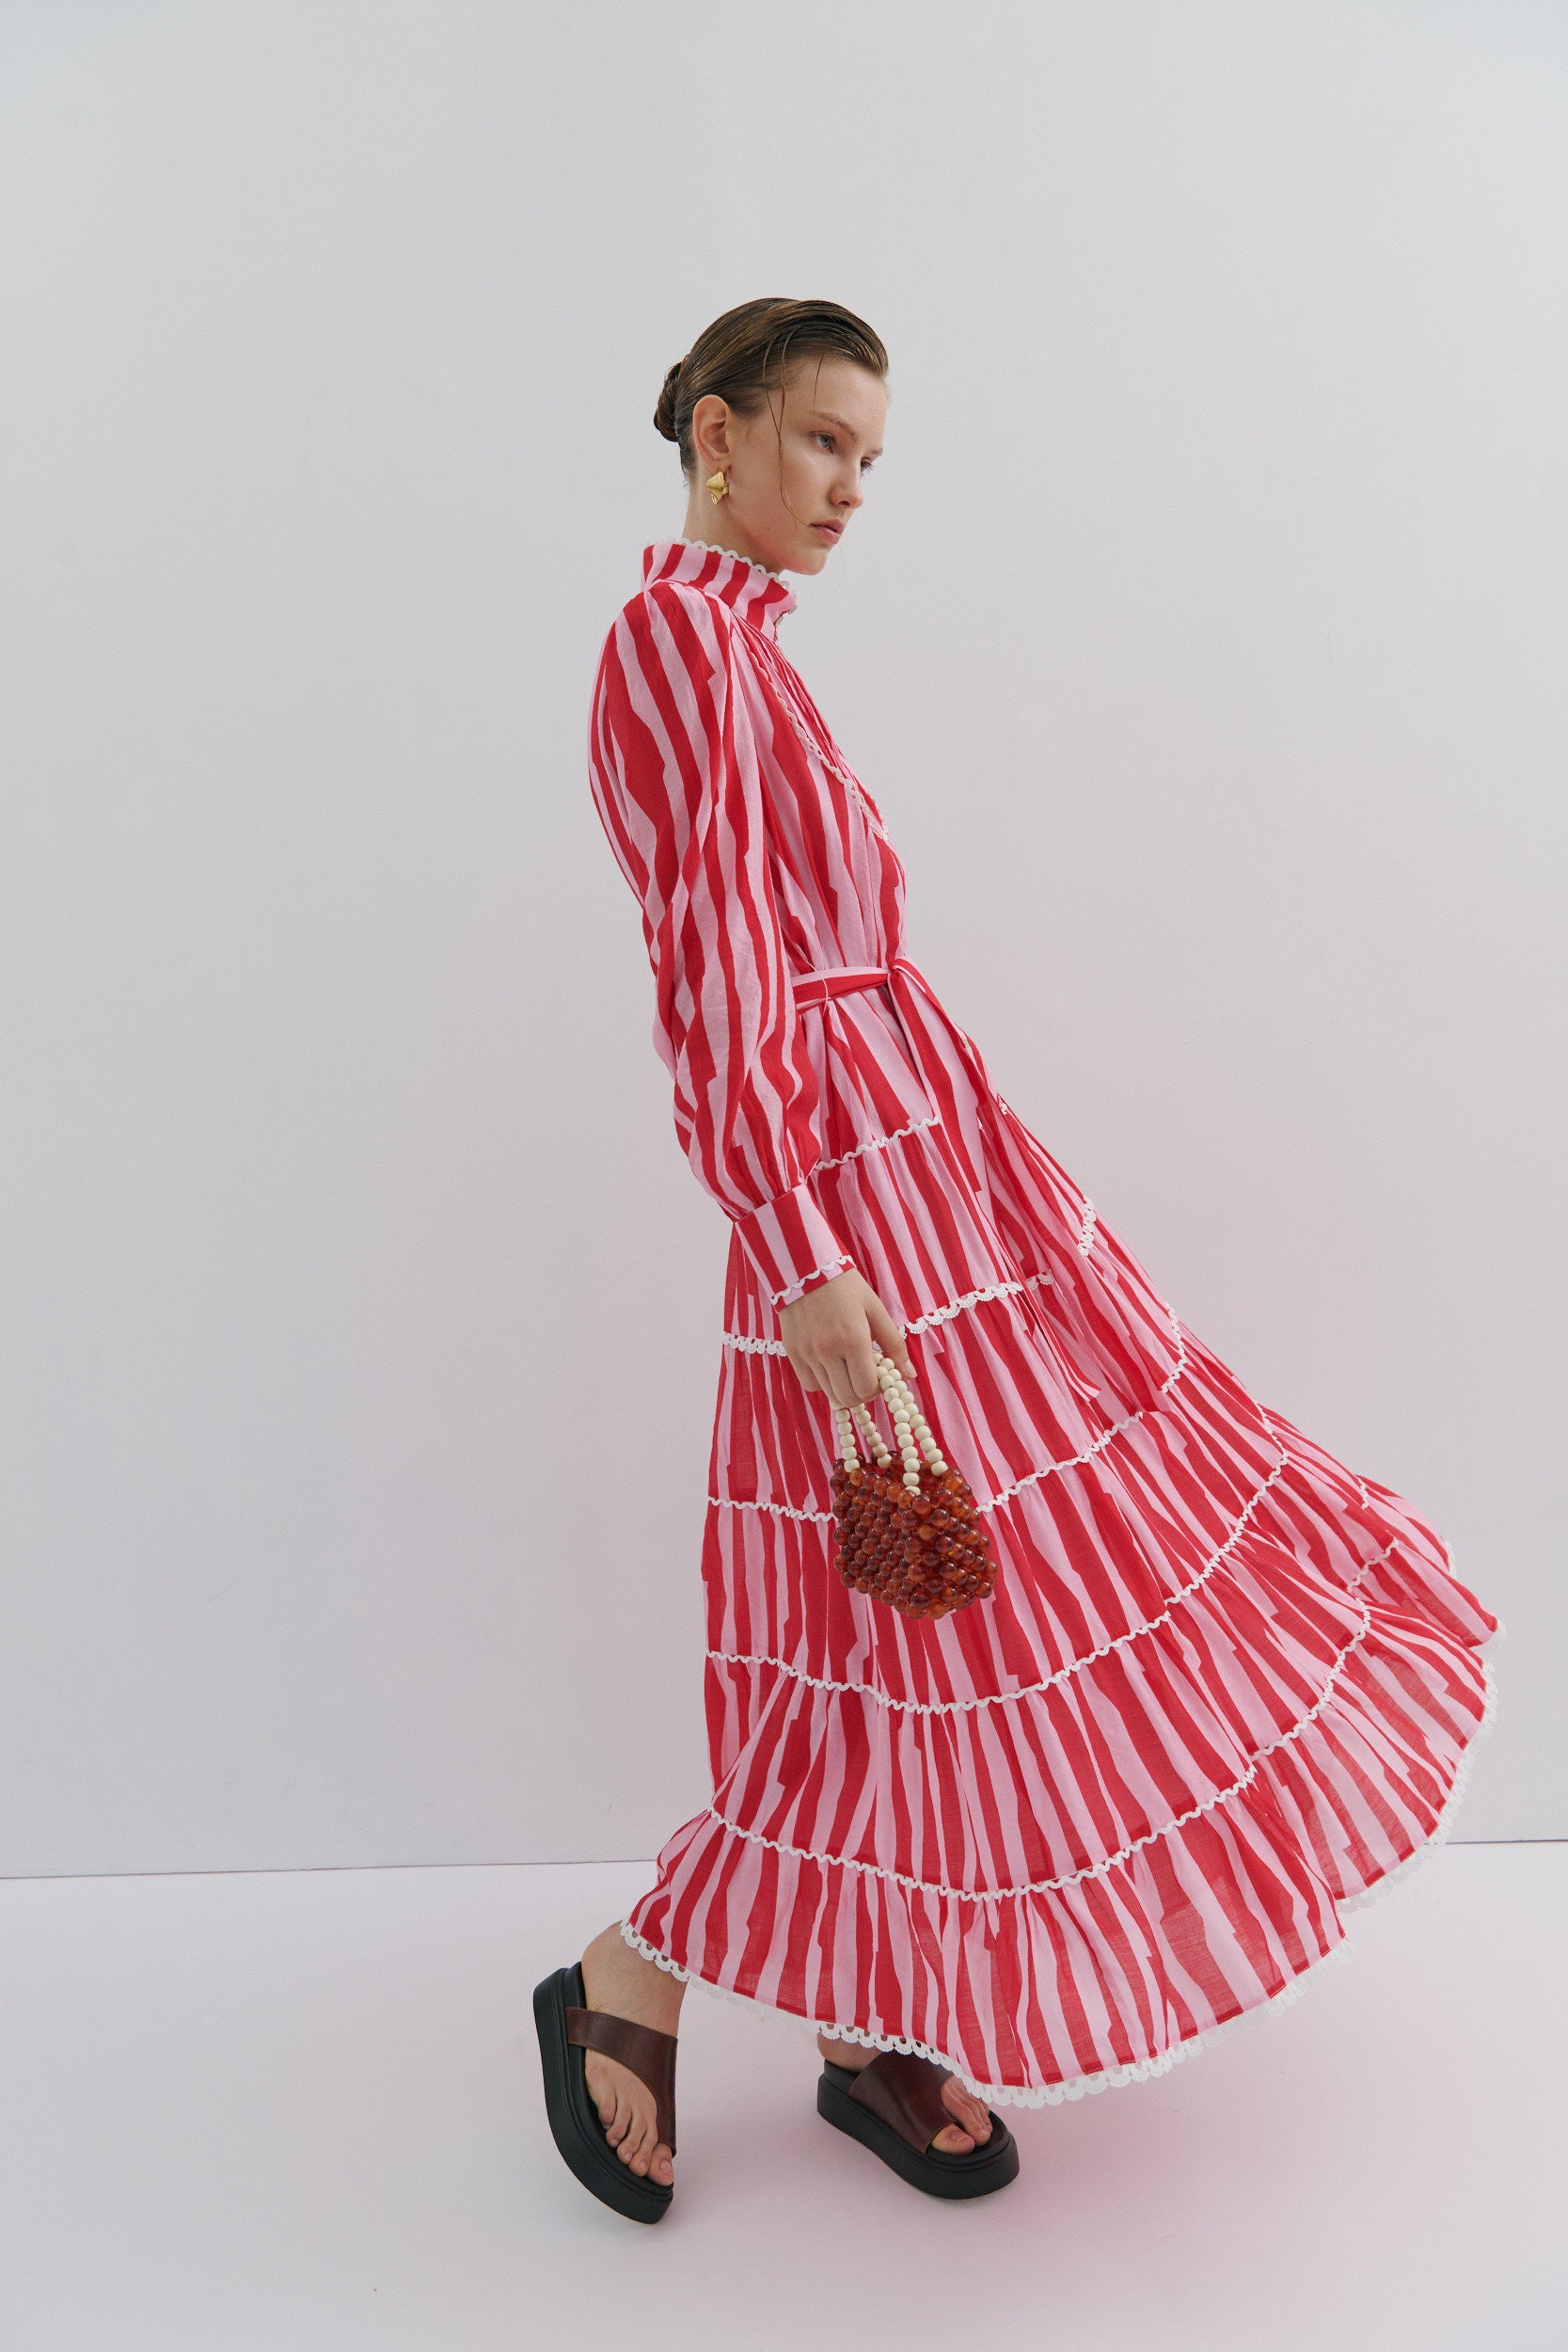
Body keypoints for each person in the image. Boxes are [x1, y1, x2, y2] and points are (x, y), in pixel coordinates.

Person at [532, 297, 1502, 2223]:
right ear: (716, 436)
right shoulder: (672, 639)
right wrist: (804, 1246)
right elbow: (717, 983)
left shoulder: (751, 651)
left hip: (933, 1174)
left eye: (870, 460)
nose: (848, 490)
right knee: (896, 1606)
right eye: (820, 444)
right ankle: (633, 1969)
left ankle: (852, 2000)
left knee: (964, 1595)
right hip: (845, 1203)